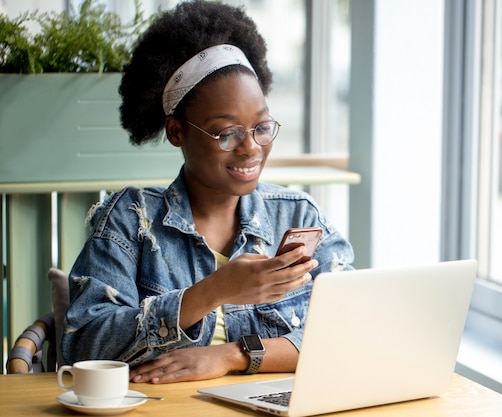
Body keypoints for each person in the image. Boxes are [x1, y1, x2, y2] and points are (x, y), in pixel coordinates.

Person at [61, 0, 354, 384]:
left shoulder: (298, 215)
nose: (250, 147)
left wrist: (233, 356)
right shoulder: (131, 219)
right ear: (176, 131)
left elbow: (350, 330)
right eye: (226, 133)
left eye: (261, 127)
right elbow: (85, 344)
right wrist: (212, 291)